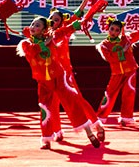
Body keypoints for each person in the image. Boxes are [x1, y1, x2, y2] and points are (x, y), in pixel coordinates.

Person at [17, 16, 102, 150]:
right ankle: (46, 139)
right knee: (45, 110)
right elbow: (33, 52)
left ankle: (90, 133)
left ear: (44, 29)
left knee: (73, 103)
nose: (33, 27)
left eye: (37, 25)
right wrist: (44, 44)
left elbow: (63, 31)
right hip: (43, 82)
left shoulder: (52, 37)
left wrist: (75, 25)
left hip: (59, 78)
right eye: (33, 24)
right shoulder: (26, 44)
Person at [45, 3, 104, 143]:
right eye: (51, 18)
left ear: (62, 22)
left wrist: (84, 1)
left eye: (57, 19)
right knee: (52, 104)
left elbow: (77, 16)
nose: (53, 21)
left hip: (66, 73)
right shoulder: (45, 35)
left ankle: (97, 126)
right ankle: (57, 131)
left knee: (78, 100)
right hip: (51, 74)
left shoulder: (65, 31)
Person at [96, 16, 139, 126]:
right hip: (116, 73)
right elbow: (110, 58)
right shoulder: (104, 45)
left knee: (129, 93)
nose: (114, 32)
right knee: (109, 94)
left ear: (120, 31)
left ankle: (126, 117)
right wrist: (122, 51)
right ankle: (101, 117)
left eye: (117, 30)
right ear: (108, 29)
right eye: (112, 29)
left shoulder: (126, 39)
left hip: (130, 70)